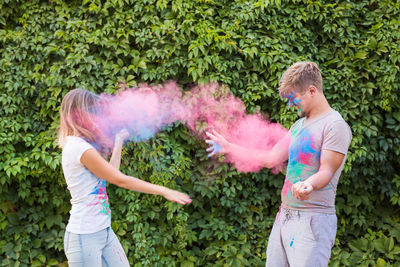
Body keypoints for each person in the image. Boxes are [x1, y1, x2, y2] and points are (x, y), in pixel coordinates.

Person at [206, 61, 352, 266]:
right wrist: (230, 147)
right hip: (285, 216)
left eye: (294, 98)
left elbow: (326, 171)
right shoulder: (299, 125)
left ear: (312, 90)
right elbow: (270, 158)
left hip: (313, 221)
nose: (291, 105)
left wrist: (308, 184)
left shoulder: (335, 125)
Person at [58, 89, 192, 266]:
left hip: (103, 231)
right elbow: (120, 180)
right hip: (85, 236)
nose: (98, 117)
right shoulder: (80, 148)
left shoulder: (81, 145)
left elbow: (112, 174)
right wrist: (164, 190)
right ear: (80, 114)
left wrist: (119, 140)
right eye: (94, 112)